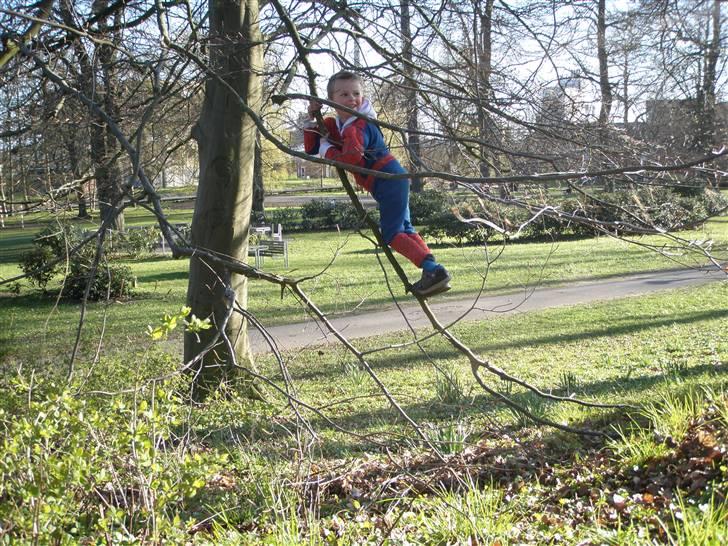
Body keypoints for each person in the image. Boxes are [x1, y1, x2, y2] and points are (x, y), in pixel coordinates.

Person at [303, 71, 451, 297]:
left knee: (391, 234)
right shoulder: (343, 125)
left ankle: (433, 269)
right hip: (391, 180)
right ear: (331, 100)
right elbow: (312, 146)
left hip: (387, 180)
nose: (352, 98)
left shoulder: (358, 126)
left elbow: (352, 160)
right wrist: (314, 118)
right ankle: (433, 271)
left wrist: (327, 150)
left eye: (356, 93)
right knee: (406, 229)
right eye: (344, 94)